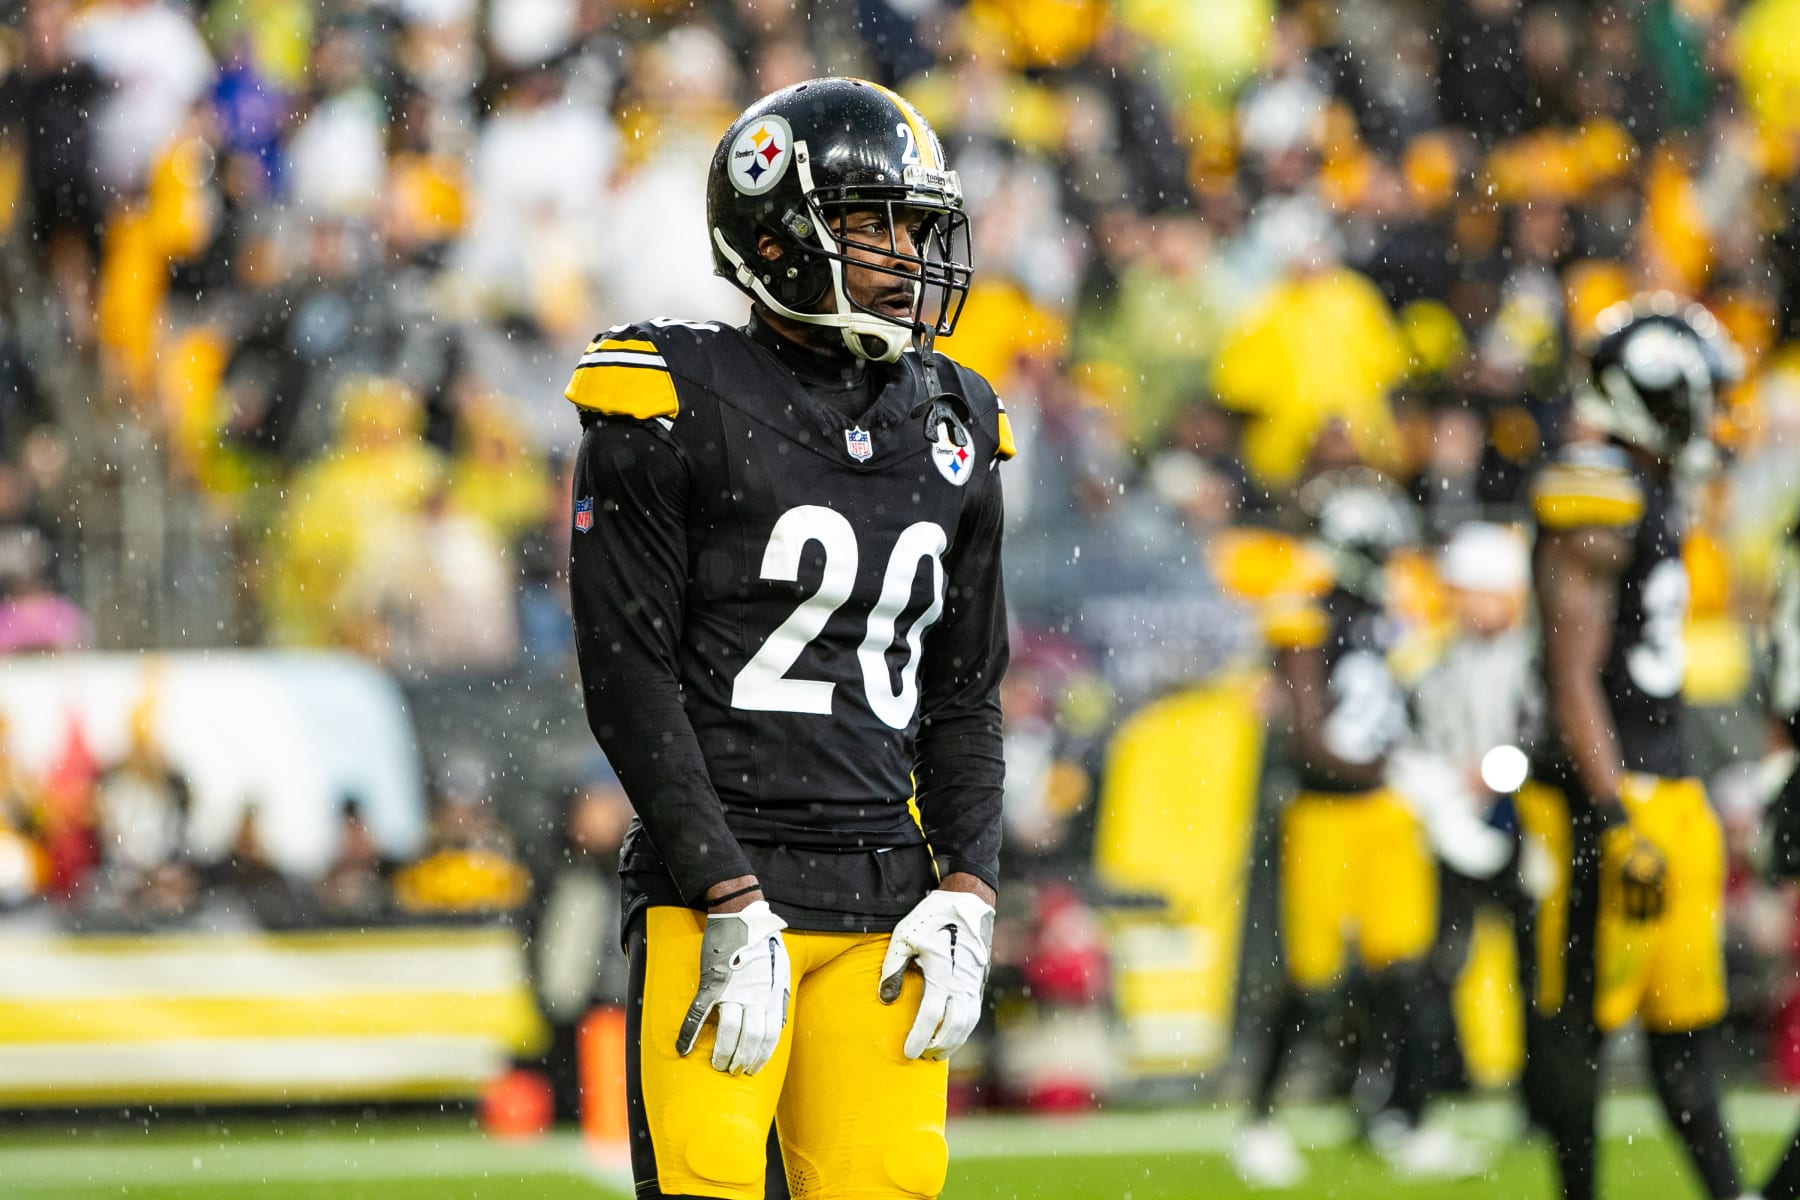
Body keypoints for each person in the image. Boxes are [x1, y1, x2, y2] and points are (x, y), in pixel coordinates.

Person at [564, 78, 1010, 1200]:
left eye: (918, 226)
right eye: (874, 225)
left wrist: (968, 884)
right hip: (724, 883)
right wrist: (723, 891)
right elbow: (630, 680)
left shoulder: (953, 416)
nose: (908, 256)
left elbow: (965, 693)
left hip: (886, 897)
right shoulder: (675, 394)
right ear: (780, 236)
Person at [1518, 295, 1748, 1200]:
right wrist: (1614, 813)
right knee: (1580, 1026)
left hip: (1666, 783)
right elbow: (1572, 671)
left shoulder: (1646, 482)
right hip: (1608, 794)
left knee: (1685, 1036)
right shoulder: (1594, 488)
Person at [1235, 467, 1474, 1185]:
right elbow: (1311, 739)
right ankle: (1260, 1121)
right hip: (1325, 815)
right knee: (1312, 981)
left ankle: (1397, 1115)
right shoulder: (1305, 612)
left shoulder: (1383, 611)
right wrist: (1397, 772)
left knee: (1404, 976)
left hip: (1384, 815)